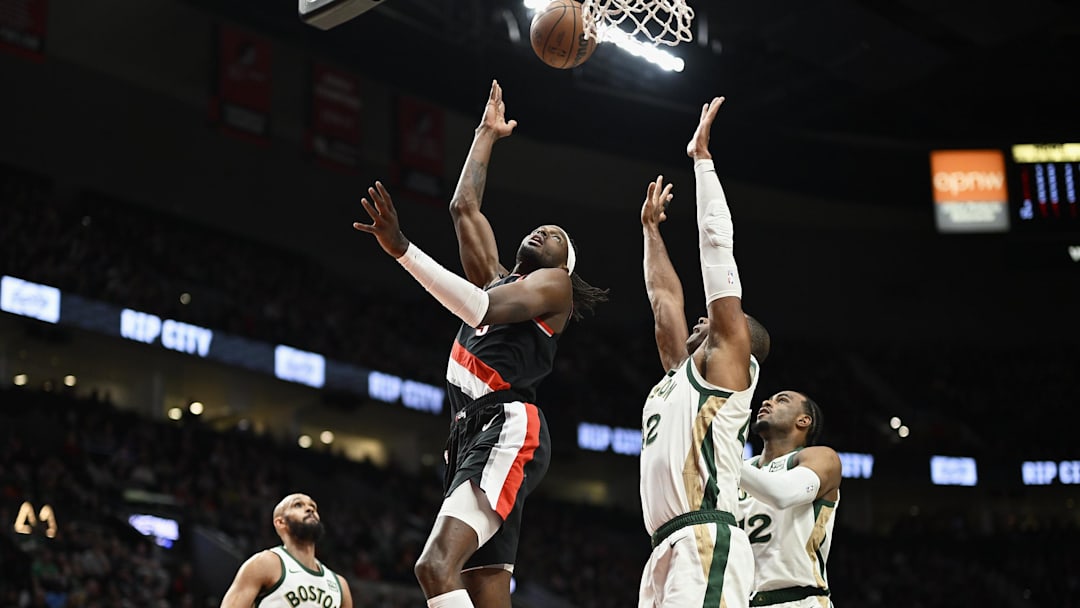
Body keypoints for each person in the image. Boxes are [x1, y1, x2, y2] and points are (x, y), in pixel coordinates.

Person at [352, 79, 607, 608]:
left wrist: (402, 250)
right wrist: (485, 134)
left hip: (507, 426)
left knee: (433, 567)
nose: (543, 231)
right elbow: (464, 207)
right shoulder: (494, 277)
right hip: (469, 434)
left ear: (564, 264)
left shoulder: (552, 288)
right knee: (483, 587)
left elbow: (482, 309)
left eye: (556, 236)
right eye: (541, 226)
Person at [637, 96, 770, 608]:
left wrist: (701, 161)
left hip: (706, 540)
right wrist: (650, 231)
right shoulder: (680, 375)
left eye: (712, 322)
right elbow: (664, 300)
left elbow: (717, 248)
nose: (701, 319)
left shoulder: (728, 366)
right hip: (665, 546)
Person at [737, 392, 841, 607]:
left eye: (781, 400)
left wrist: (722, 455)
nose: (767, 402)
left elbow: (781, 494)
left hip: (798, 599)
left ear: (803, 420)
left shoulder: (822, 457)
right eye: (768, 399)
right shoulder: (742, 468)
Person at [220, 493, 353, 608]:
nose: (309, 509)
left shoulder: (340, 586)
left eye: (313, 507)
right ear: (280, 522)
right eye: (298, 505)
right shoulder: (265, 564)